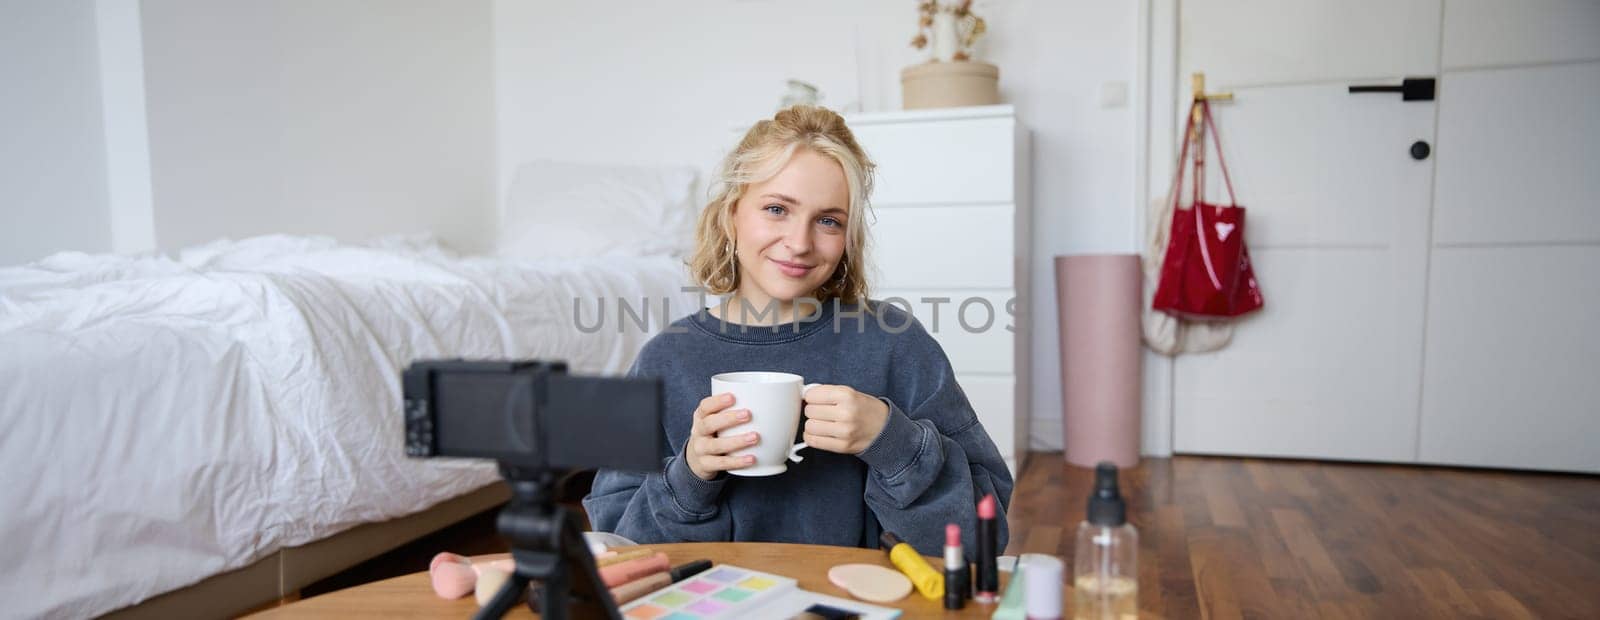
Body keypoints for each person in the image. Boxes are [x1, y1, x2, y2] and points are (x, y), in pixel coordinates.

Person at [582, 105, 1012, 557]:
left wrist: (891, 441)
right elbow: (617, 547)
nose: (801, 242)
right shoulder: (664, 360)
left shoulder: (894, 344)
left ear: (848, 238)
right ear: (732, 215)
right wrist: (690, 475)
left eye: (829, 220)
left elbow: (984, 536)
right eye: (776, 209)